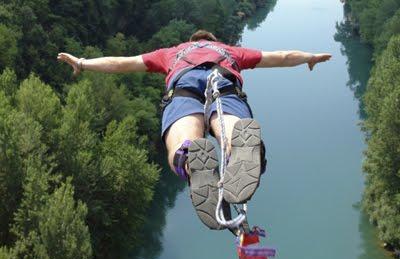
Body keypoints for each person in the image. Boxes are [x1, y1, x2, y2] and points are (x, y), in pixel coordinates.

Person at [58, 30, 331, 231]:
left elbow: (124, 63)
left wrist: (82, 63)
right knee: (233, 128)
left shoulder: (171, 53)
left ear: (191, 41)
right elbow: (280, 57)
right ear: (213, 40)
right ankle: (240, 146)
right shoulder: (230, 51)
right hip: (223, 79)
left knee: (184, 143)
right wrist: (310, 57)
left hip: (183, 84)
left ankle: (189, 158)